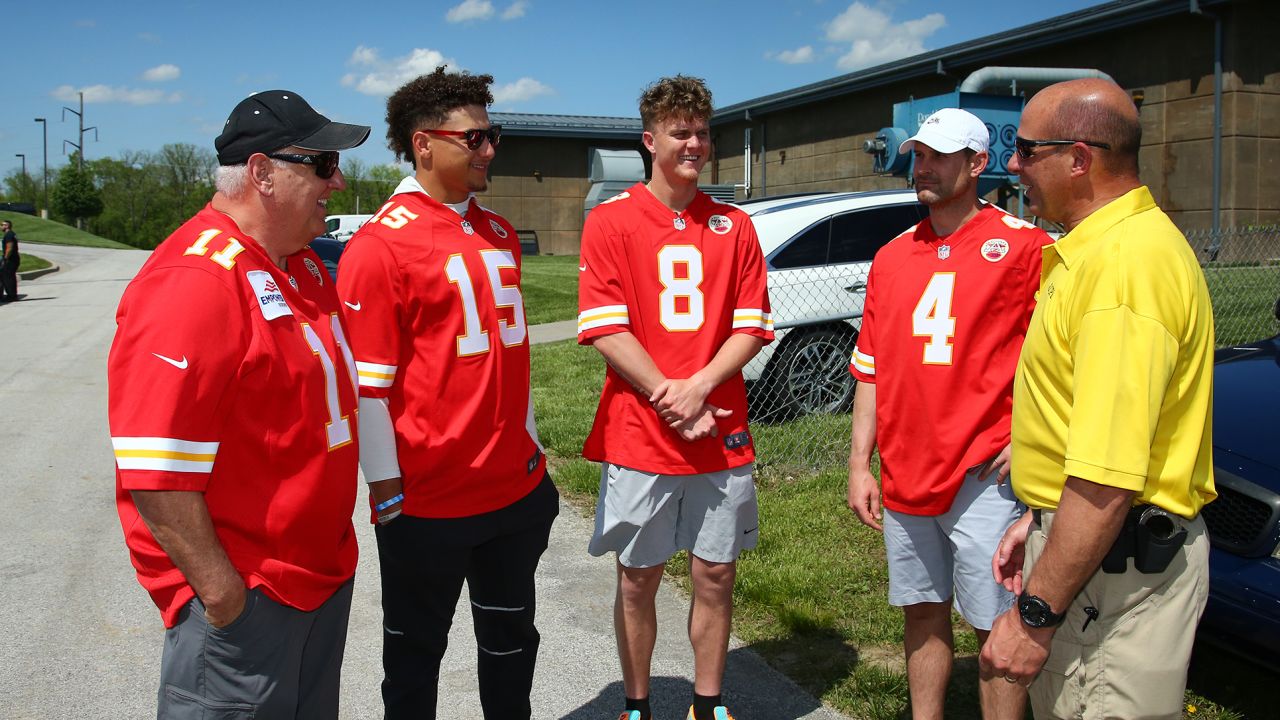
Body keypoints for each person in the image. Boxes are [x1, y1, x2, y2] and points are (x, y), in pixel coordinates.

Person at [108, 89, 369, 718]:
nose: (336, 184)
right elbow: (156, 473)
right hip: (250, 599)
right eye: (323, 167)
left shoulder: (301, 268)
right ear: (262, 172)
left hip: (319, 583)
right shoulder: (195, 283)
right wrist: (223, 596)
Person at [979, 78, 1216, 720]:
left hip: (1114, 575)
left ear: (1079, 158)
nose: (1012, 163)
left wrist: (1034, 617)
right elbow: (1087, 428)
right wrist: (1037, 519)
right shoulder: (1097, 252)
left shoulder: (1122, 270)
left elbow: (1106, 480)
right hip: (1091, 557)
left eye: (1027, 150)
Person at [336, 66, 559, 720]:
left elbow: (509, 364)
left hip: (513, 494)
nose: (490, 149)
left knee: (511, 646)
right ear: (423, 144)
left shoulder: (494, 231)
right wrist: (385, 488)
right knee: (413, 660)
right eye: (476, 138)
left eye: (495, 135)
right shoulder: (379, 246)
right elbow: (367, 389)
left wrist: (535, 450)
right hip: (427, 503)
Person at [577, 75, 774, 720]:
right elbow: (605, 327)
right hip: (641, 432)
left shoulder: (735, 225)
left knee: (716, 574)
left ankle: (707, 701)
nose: (694, 143)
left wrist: (699, 388)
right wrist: (672, 396)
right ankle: (638, 705)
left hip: (721, 427)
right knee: (639, 578)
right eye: (680, 132)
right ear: (649, 139)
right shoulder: (611, 222)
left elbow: (751, 325)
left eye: (702, 132)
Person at [847, 108, 1050, 719]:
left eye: (939, 155)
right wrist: (860, 463)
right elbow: (871, 367)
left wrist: (1033, 437)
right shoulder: (892, 256)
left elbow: (1061, 361)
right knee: (922, 611)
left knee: (998, 631)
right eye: (919, 154)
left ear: (978, 163)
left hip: (983, 473)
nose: (923, 166)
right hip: (907, 469)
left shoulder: (1025, 247)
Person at [0, 220, 19, 301]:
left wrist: (5, 259)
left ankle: (11, 296)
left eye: (2, 225)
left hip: (10, 260)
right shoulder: (12, 234)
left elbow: (10, 248)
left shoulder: (9, 235)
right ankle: (12, 295)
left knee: (7, 278)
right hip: (14, 259)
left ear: (7, 226)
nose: (0, 226)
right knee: (10, 277)